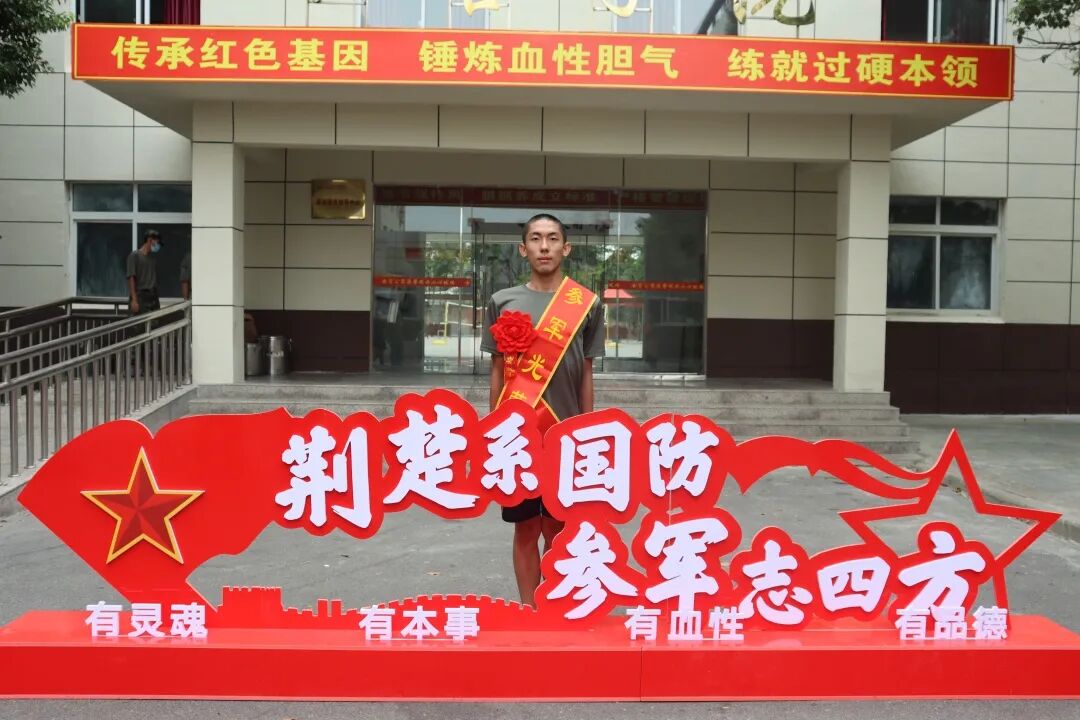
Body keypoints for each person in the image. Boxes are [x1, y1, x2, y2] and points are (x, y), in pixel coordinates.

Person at [481, 213, 605, 607]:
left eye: (552, 238)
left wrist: (586, 430)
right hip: (516, 438)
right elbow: (497, 371)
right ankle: (528, 610)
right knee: (524, 530)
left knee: (558, 529)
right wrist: (492, 430)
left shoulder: (586, 304)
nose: (544, 246)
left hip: (563, 436)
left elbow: (586, 372)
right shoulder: (502, 302)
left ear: (566, 248)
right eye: (536, 238)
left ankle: (553, 608)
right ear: (523, 249)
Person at [126, 229, 162, 315]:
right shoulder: (134, 256)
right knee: (140, 322)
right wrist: (134, 300)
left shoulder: (153, 259)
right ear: (150, 240)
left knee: (155, 322)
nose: (158, 246)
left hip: (153, 296)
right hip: (140, 296)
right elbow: (131, 278)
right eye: (157, 242)